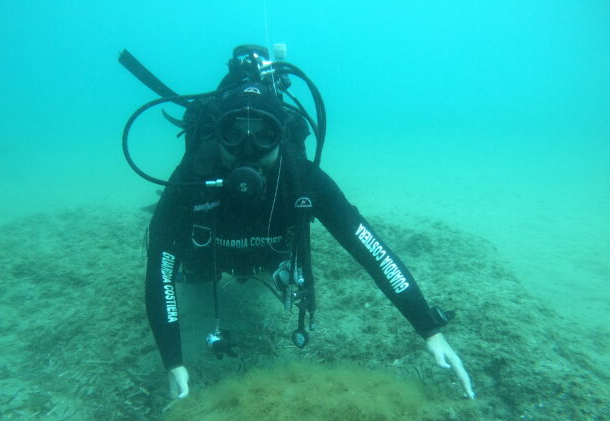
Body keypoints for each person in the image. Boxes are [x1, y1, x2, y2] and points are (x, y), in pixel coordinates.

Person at [121, 45, 475, 401]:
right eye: (234, 133)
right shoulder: (193, 176)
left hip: (272, 251)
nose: (248, 147)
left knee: (282, 267)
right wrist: (173, 361)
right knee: (196, 275)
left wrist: (429, 328)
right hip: (208, 253)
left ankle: (271, 267)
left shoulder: (302, 179)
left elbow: (372, 251)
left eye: (264, 135)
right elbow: (160, 269)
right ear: (217, 133)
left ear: (282, 136)